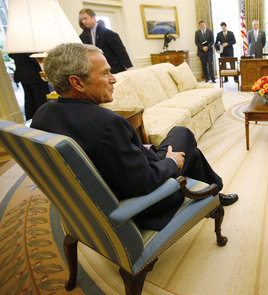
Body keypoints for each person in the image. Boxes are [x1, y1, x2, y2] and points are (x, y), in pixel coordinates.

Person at [31, 43, 238, 231]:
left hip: (115, 180)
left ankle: (212, 191)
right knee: (185, 142)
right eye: (105, 74)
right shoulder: (108, 124)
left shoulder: (42, 114)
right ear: (77, 82)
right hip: (144, 202)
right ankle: (213, 193)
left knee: (179, 133)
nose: (114, 79)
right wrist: (171, 163)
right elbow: (144, 183)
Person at [79, 8, 133, 74]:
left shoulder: (107, 33)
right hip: (100, 71)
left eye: (85, 18)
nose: (83, 21)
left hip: (115, 69)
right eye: (82, 19)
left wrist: (129, 67)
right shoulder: (84, 35)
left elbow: (121, 51)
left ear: (93, 17)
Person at [8, 53, 50, 120]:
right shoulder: (29, 46)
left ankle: (31, 119)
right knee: (41, 100)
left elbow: (10, 55)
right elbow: (35, 59)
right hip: (35, 76)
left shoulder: (16, 46)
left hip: (22, 75)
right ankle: (44, 119)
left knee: (29, 99)